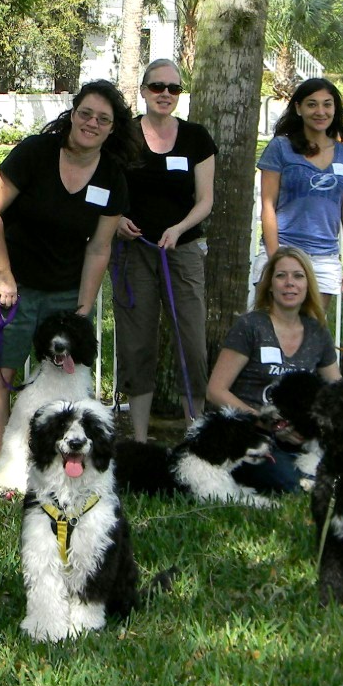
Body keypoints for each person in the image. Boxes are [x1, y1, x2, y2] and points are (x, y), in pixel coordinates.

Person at [0, 80, 135, 494]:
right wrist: (4, 274)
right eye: (86, 113)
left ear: (112, 129)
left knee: (63, 384)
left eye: (103, 119)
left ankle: (50, 470)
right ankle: (0, 472)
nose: (92, 123)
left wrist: (84, 306)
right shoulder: (36, 152)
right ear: (73, 114)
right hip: (9, 279)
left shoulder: (112, 177)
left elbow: (99, 248)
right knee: (0, 376)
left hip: (63, 289)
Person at [112, 59, 217, 441]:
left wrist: (179, 228)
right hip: (133, 250)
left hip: (182, 248)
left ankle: (196, 434)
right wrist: (117, 219)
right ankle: (139, 438)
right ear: (142, 91)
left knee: (191, 338)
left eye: (174, 89)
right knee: (136, 339)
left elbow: (205, 200)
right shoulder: (122, 137)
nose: (166, 95)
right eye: (158, 87)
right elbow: (107, 190)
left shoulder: (196, 138)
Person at [206, 246, 339, 492]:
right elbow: (215, 391)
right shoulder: (250, 326)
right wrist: (267, 423)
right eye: (281, 276)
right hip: (252, 431)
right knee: (289, 484)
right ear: (269, 285)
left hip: (300, 437)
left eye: (298, 276)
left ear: (308, 285)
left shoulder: (317, 332)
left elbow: (338, 392)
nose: (290, 283)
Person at [255, 77, 343, 307]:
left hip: (325, 259)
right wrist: (276, 261)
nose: (320, 111)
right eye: (312, 104)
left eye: (327, 104)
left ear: (335, 109)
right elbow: (268, 206)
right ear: (298, 108)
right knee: (272, 332)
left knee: (312, 334)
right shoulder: (280, 148)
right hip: (283, 249)